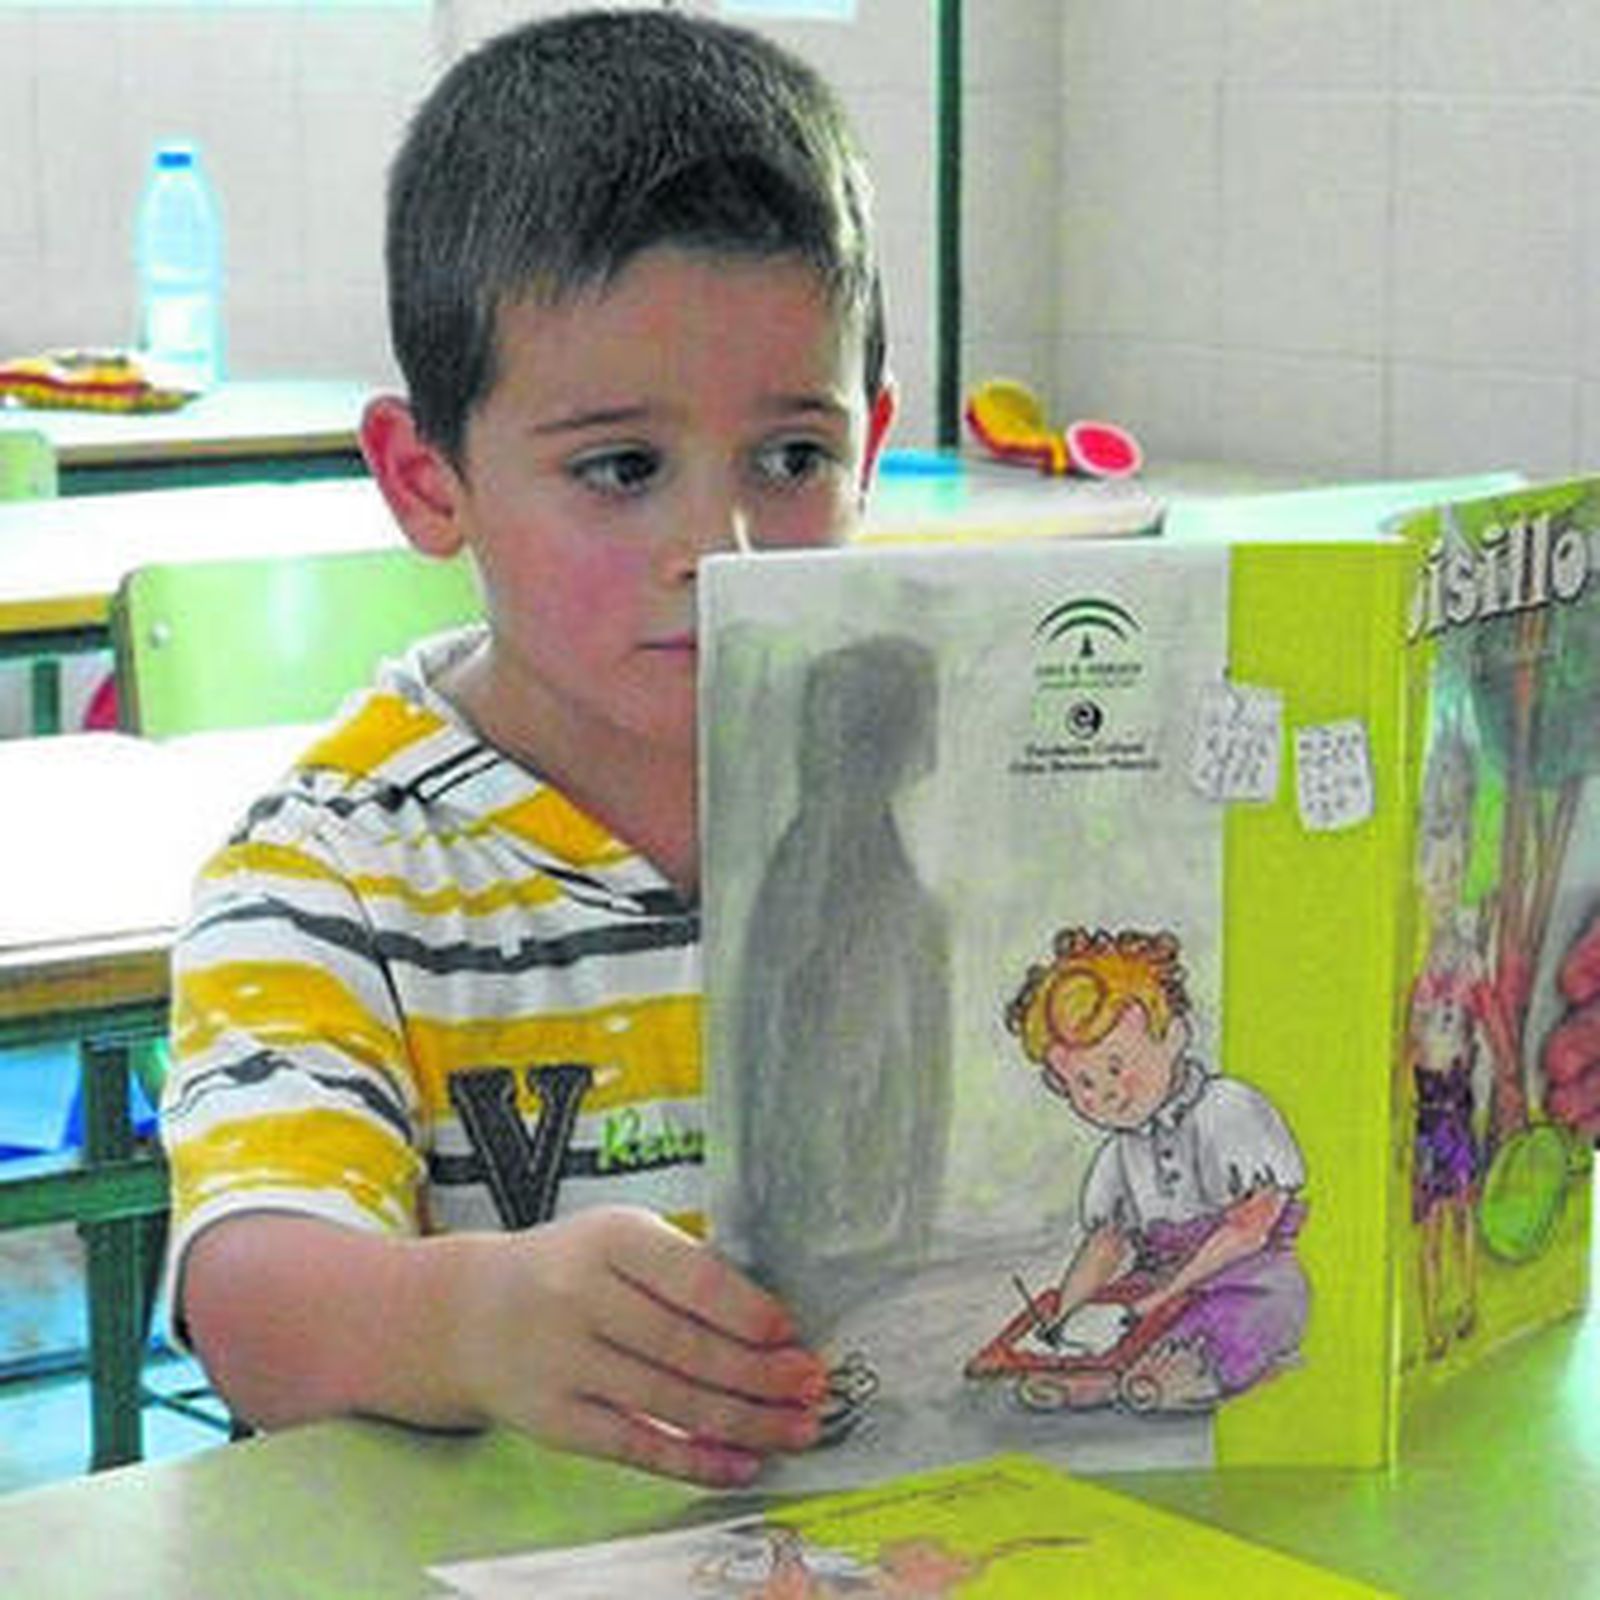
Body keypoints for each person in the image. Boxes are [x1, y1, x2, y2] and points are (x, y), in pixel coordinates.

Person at [158, 7, 896, 1488]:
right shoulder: (331, 874)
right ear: (428, 482)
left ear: (870, 447)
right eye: (620, 467)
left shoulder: (934, 795)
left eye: (792, 458)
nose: (721, 543)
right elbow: (249, 1297)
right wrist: (469, 1322)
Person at [1003, 927, 1307, 1412]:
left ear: (1174, 1035)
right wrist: (1066, 1312)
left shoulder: (1228, 1110)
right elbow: (1106, 1244)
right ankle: (1100, 1376)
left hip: (1243, 1273)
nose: (1105, 1093)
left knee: (1249, 1314)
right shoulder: (1118, 1155)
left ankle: (1187, 1369)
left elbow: (1249, 1230)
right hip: (1156, 1283)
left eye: (1115, 1067)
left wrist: (1168, 1293)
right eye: (1083, 1083)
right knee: (1122, 1321)